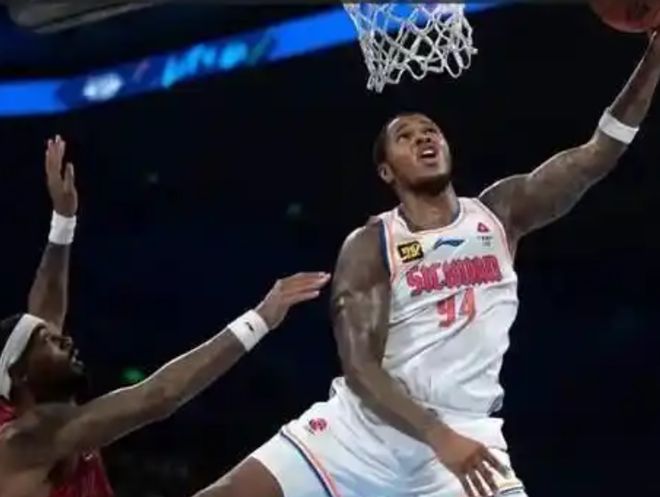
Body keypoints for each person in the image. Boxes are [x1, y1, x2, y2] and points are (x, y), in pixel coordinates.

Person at [191, 32, 660, 497]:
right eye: (405, 137)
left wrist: (654, 58)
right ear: (386, 171)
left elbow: (596, 154)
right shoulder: (371, 244)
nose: (423, 139)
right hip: (362, 436)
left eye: (430, 131)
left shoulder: (499, 213)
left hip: (465, 434)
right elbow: (360, 367)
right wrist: (436, 434)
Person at [0, 137, 331, 497]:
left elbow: (44, 313)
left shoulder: (25, 391)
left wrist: (63, 221)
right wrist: (260, 319)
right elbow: (158, 397)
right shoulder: (26, 439)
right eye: (49, 342)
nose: (64, 338)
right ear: (20, 373)